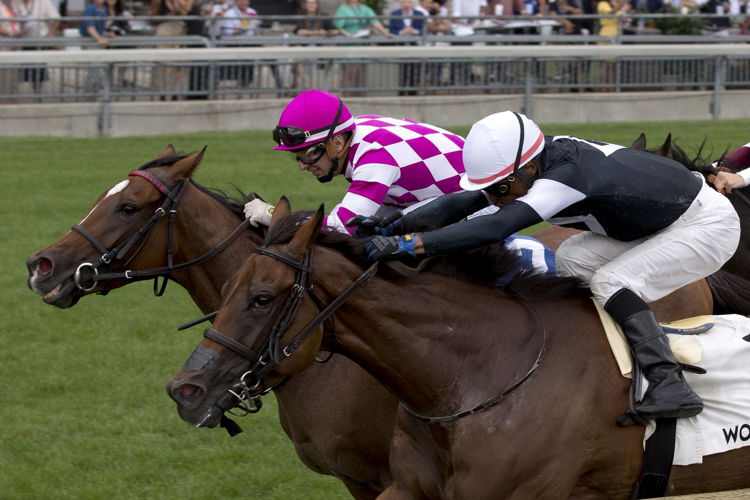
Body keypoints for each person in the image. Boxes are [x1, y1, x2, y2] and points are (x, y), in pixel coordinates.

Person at [359, 110, 740, 426]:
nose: (495, 197)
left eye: (501, 188)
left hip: (705, 225)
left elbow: (495, 225)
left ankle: (669, 383)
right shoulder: (531, 162)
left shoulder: (564, 177)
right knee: (571, 259)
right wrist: (393, 225)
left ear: (526, 168)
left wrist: (408, 245)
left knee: (612, 281)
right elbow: (464, 201)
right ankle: (603, 358)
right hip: (656, 222)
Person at [243, 90, 555, 277]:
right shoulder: (355, 133)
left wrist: (276, 215)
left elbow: (340, 227)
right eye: (295, 157)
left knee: (380, 239)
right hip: (447, 195)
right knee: (374, 233)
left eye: (309, 154)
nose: (302, 166)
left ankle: (526, 258)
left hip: (478, 202)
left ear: (337, 143)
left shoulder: (375, 157)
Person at [388, 0, 425, 95]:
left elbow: (423, 29)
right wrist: (402, 32)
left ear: (412, 3)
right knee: (403, 69)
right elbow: (392, 30)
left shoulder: (419, 14)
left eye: (408, 2)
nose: (406, 4)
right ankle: (402, 91)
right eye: (404, 2)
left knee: (415, 68)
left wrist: (413, 31)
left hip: (415, 45)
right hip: (401, 45)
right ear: (401, 3)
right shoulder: (395, 14)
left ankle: (413, 92)